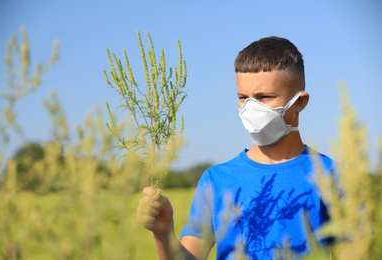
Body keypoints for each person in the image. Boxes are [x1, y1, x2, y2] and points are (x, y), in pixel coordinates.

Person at [137, 36, 337, 259]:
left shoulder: (333, 176)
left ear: (300, 102)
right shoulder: (216, 179)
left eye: (265, 97)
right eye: (243, 97)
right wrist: (163, 234)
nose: (251, 108)